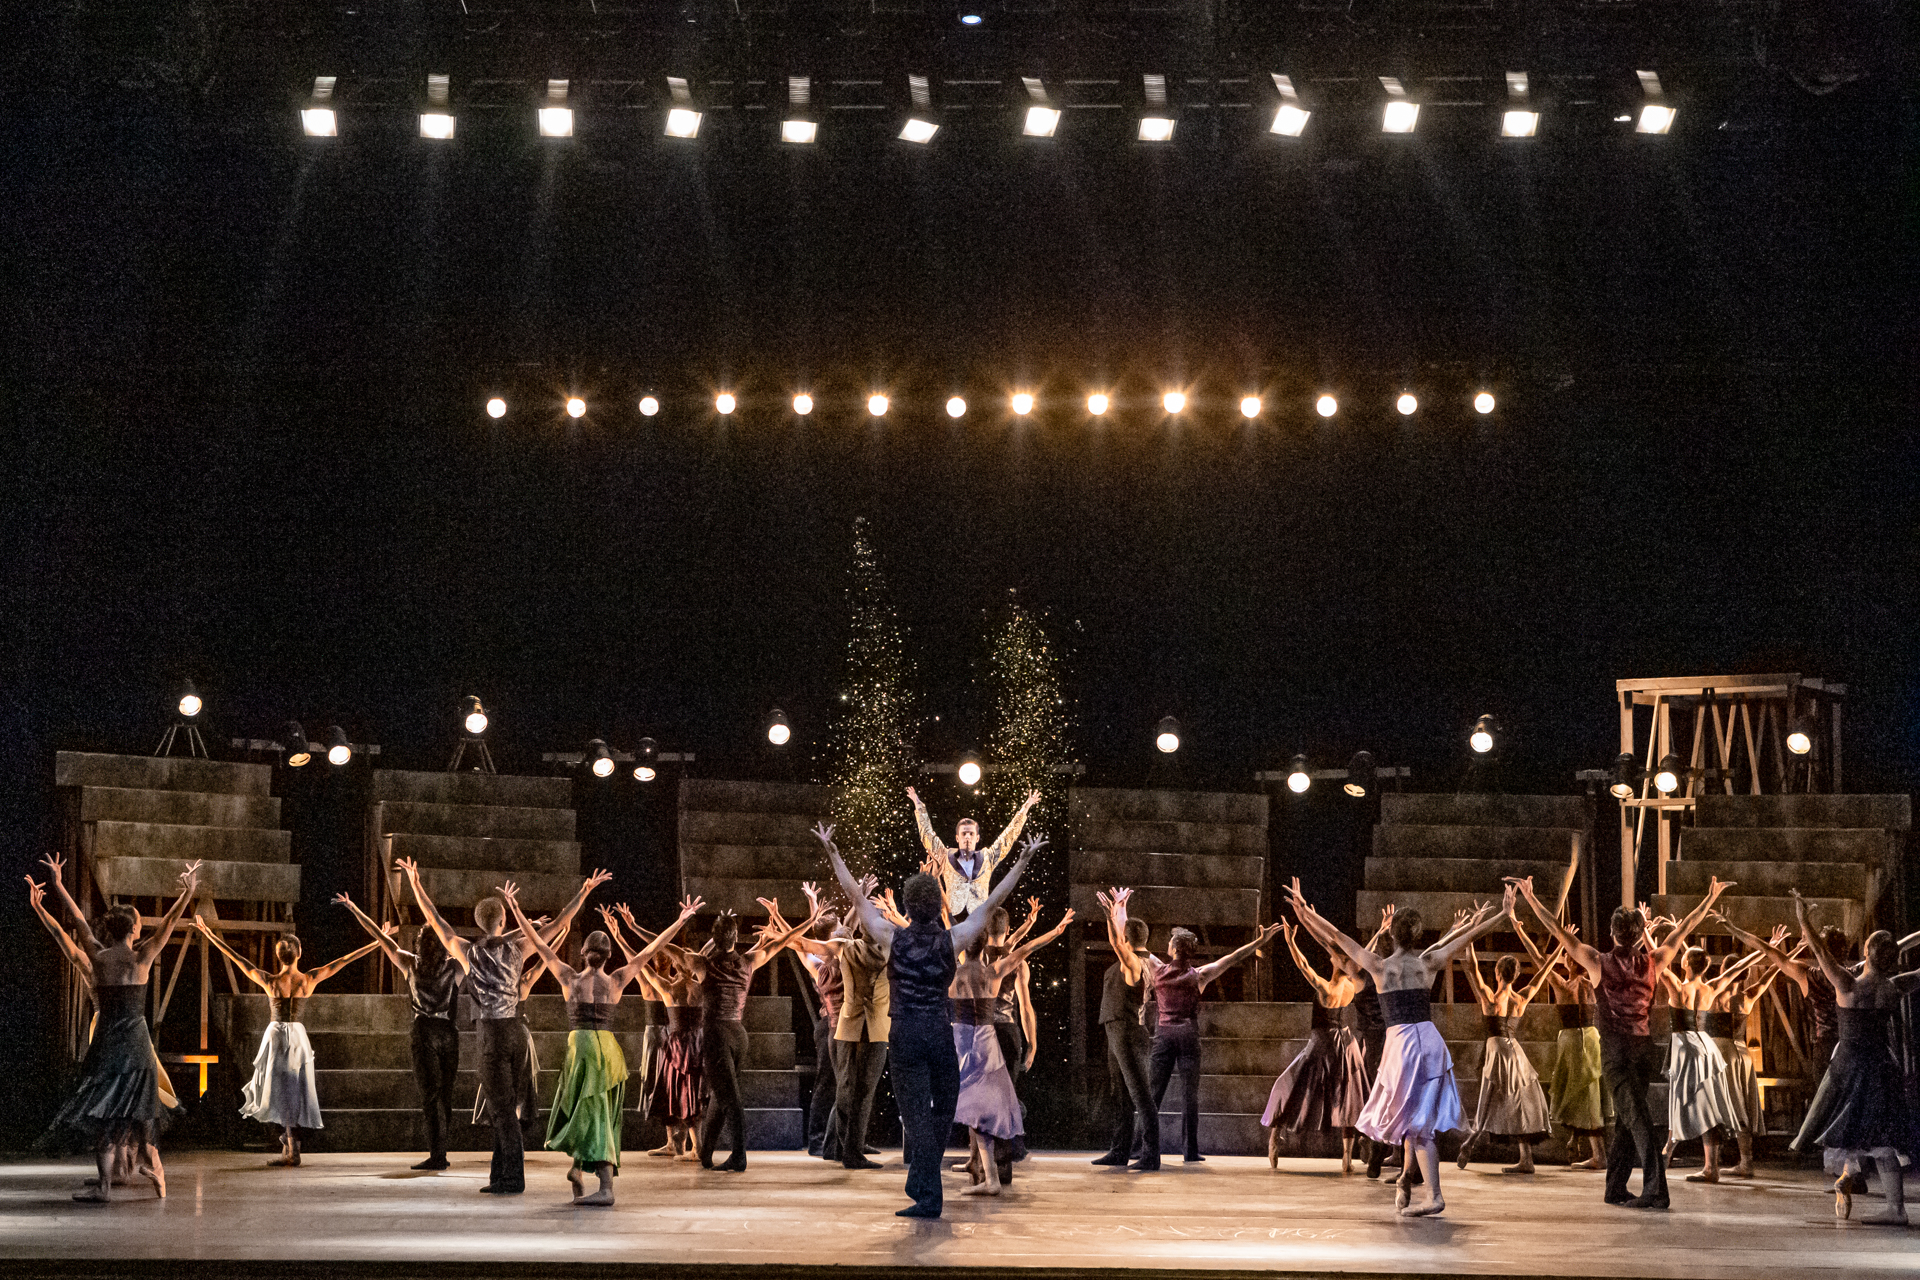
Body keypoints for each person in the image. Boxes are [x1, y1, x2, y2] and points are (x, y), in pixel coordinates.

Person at [814, 820, 1041, 1219]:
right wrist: (1021, 861)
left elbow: (855, 895)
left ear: (908, 904)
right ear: (938, 905)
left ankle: (923, 1187)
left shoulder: (890, 936)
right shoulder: (951, 940)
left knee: (918, 1113)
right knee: (940, 1112)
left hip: (905, 1035)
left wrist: (833, 852)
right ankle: (926, 1191)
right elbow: (990, 903)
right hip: (939, 1034)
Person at [1287, 884, 1513, 1217]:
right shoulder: (1428, 962)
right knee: (1412, 1119)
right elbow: (1466, 938)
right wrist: (1504, 914)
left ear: (1391, 933)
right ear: (1417, 934)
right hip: (1427, 1040)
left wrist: (1306, 913)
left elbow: (1336, 936)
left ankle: (1434, 1195)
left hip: (1404, 1045)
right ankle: (1407, 1178)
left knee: (1417, 1123)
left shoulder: (1379, 967)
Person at [1513, 873, 1733, 1210]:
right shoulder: (1654, 960)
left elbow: (1557, 929)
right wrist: (1710, 898)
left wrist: (1529, 897)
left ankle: (1656, 1191)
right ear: (1635, 935)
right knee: (1630, 1118)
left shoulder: (1598, 961)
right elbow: (1685, 927)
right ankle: (1615, 1187)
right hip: (1643, 1049)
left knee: (1637, 1119)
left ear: (1614, 933)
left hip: (1617, 1049)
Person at [398, 856, 609, 1194]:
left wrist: (416, 883)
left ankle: (512, 1178)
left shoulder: (467, 951)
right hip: (514, 1031)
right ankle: (500, 1174)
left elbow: (433, 918)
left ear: (479, 923)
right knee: (504, 1108)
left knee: (501, 1111)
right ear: (504, 920)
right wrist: (583, 892)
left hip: (492, 1036)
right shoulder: (517, 947)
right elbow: (558, 923)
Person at [499, 882, 699, 1204]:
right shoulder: (617, 979)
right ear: (608, 956)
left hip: (579, 1046)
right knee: (601, 1113)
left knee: (583, 1108)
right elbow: (652, 950)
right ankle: (604, 1186)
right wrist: (681, 920)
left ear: (583, 953)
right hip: (605, 1048)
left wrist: (516, 909)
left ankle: (579, 1165)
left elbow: (538, 942)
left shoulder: (569, 978)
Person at [31, 856, 199, 1201]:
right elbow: (168, 925)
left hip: (108, 1043)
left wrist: (53, 892)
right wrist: (187, 894)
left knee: (106, 1118)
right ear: (135, 930)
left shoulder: (98, 957)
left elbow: (69, 928)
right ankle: (158, 1176)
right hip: (138, 1045)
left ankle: (106, 1186)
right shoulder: (142, 958)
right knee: (143, 1114)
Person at [196, 908, 385, 1167]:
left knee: (282, 1091)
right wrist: (377, 942)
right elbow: (343, 961)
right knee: (294, 1090)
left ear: (278, 956)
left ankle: (291, 1145)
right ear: (299, 954)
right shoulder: (308, 979)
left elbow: (239, 959)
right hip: (296, 1036)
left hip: (276, 1034)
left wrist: (209, 935)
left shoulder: (270, 981)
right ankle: (290, 1145)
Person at [1110, 888, 1282, 1170]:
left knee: (1152, 1094)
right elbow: (1233, 957)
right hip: (1188, 1036)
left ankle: (1141, 1148)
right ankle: (1190, 1151)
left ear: (1175, 948)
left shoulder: (1157, 968)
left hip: (1165, 1036)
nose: (1166, 945)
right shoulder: (1199, 975)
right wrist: (1258, 942)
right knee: (1190, 1095)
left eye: (1169, 943)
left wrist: (1121, 911)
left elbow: (1131, 943)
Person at [1788, 891, 1920, 1225]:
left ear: (1864, 954)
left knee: (1851, 1129)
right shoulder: (1894, 987)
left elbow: (1819, 951)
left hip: (1849, 1067)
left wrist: (1804, 919)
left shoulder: (1847, 984)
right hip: (1881, 1067)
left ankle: (1887, 1205)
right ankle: (1896, 1208)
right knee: (1882, 1136)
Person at [948, 903, 1073, 1195]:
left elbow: (947, 928)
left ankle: (990, 1176)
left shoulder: (955, 972)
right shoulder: (997, 969)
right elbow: (1025, 948)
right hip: (992, 1037)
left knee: (976, 1108)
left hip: (966, 1042)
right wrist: (1055, 930)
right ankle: (984, 1171)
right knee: (990, 1107)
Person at [336, 892, 464, 1170]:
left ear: (420, 944)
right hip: (448, 1031)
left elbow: (380, 937)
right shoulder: (455, 966)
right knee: (445, 1094)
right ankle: (441, 1151)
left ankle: (438, 1154)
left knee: (431, 1095)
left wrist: (354, 906)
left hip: (424, 1031)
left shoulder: (409, 963)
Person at [698, 899, 821, 1171]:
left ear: (714, 938)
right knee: (721, 1094)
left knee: (728, 1097)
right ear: (735, 938)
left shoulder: (703, 964)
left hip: (717, 1034)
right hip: (738, 1035)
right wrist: (810, 920)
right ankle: (705, 1154)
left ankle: (739, 1156)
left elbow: (663, 949)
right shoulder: (747, 961)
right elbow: (783, 941)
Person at [1262, 916, 1371, 1173]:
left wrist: (1290, 942)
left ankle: (1275, 1135)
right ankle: (1347, 1156)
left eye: (1337, 956)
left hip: (1322, 1043)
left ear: (1339, 963)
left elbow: (1303, 966)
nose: (1332, 956)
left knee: (1289, 1085)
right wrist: (1378, 932)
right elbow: (1361, 956)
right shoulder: (1351, 986)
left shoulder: (1326, 988)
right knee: (1348, 1096)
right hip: (1346, 1044)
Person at [1658, 945, 1760, 1182]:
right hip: (1705, 1045)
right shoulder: (1711, 988)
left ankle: (1704, 1165)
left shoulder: (1678, 988)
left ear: (1685, 964)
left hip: (1684, 1046)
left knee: (1683, 1100)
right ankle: (1675, 1153)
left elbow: (1659, 964)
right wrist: (1767, 950)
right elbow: (1738, 968)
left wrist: (1647, 935)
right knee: (1701, 1104)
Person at [1455, 943, 1560, 1173]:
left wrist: (1471, 939)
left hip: (1497, 1049)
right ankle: (1526, 1159)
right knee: (1519, 1100)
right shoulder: (1520, 998)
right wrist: (1559, 948)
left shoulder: (1493, 1000)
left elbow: (1472, 969)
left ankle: (1471, 1141)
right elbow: (1541, 975)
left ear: (1497, 973)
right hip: (1515, 1052)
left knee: (1489, 1097)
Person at [1091, 891, 1157, 1168]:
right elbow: (1125, 938)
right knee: (1119, 1093)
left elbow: (1118, 943)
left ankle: (1150, 1155)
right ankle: (1120, 1150)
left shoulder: (1134, 963)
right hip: (1117, 1030)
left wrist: (1110, 917)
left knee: (1139, 1093)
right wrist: (1122, 910)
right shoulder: (1145, 957)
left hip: (1128, 1032)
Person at [908, 785, 1041, 918]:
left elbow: (1007, 837)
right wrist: (918, 804)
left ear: (977, 838)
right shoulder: (945, 855)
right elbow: (927, 834)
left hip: (980, 921)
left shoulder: (988, 857)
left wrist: (1025, 808)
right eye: (964, 833)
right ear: (957, 838)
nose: (967, 837)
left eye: (971, 834)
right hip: (952, 919)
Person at [832, 905, 893, 1171]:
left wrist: (859, 901)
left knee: (846, 1087)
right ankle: (852, 1152)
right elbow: (914, 932)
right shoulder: (892, 951)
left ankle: (843, 1146)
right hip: (876, 1028)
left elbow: (828, 936)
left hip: (849, 1025)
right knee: (863, 1093)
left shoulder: (847, 946)